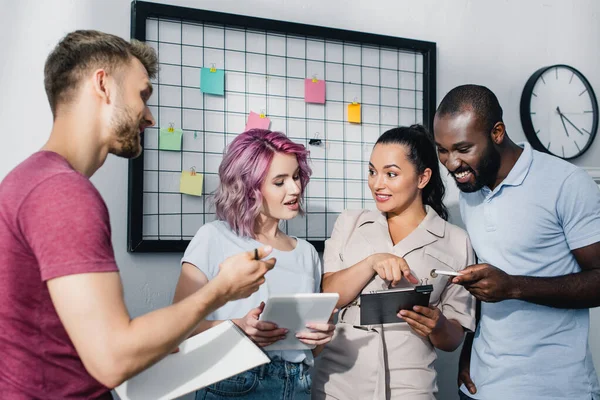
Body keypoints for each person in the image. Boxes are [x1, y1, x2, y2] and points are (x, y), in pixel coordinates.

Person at [0, 30, 276, 400]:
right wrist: (221, 290)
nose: (149, 116)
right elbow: (112, 358)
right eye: (142, 94)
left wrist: (160, 342)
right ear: (103, 85)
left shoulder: (26, 180)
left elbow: (77, 335)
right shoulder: (62, 193)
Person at [433, 84, 600, 400]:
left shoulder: (567, 183)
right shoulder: (470, 192)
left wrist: (514, 287)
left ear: (497, 133)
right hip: (481, 385)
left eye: (463, 148)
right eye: (443, 150)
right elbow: (487, 286)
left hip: (554, 388)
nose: (452, 164)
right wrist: (468, 351)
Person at [311, 125, 476, 400]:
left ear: (422, 178)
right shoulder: (350, 222)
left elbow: (454, 338)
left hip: (411, 385)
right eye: (372, 172)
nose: (377, 184)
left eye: (391, 174)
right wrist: (371, 263)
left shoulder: (456, 241)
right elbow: (330, 294)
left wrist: (437, 326)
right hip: (339, 380)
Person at [172, 128, 336, 400]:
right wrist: (238, 328)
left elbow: (308, 349)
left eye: (296, 177)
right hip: (235, 381)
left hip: (298, 384)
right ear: (249, 188)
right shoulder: (213, 238)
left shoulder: (307, 253)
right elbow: (177, 327)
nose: (296, 188)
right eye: (280, 181)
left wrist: (321, 338)